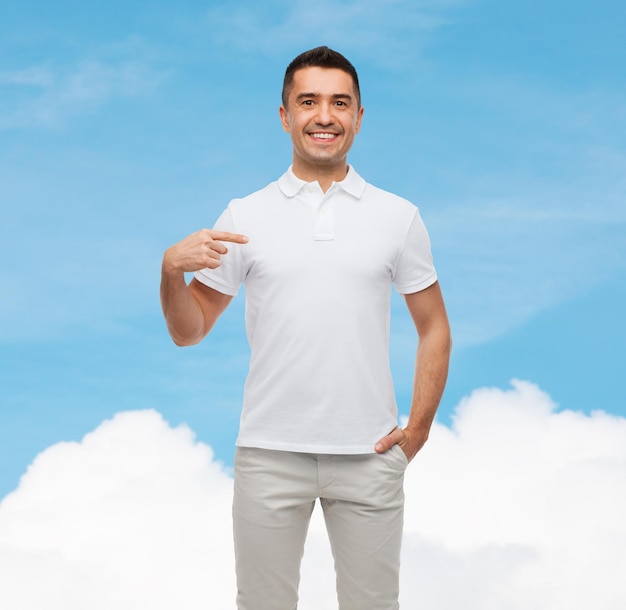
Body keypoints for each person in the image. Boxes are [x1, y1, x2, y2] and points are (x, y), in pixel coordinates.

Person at [161, 46, 451, 610]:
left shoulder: (399, 217)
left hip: (368, 454)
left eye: (340, 102)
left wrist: (417, 428)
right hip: (269, 454)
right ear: (285, 115)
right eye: (308, 101)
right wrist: (171, 271)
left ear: (359, 116)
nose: (324, 116)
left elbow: (434, 325)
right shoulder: (244, 216)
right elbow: (188, 330)